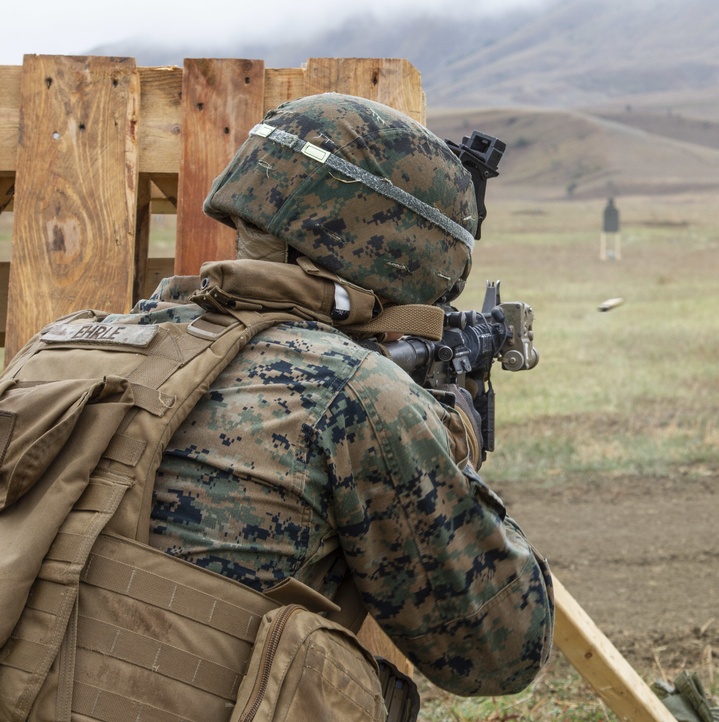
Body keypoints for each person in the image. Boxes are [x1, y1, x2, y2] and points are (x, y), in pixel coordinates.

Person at [1, 93, 553, 720]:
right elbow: (503, 650)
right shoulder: (356, 393)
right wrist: (449, 445)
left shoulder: (59, 347)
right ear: (402, 250)